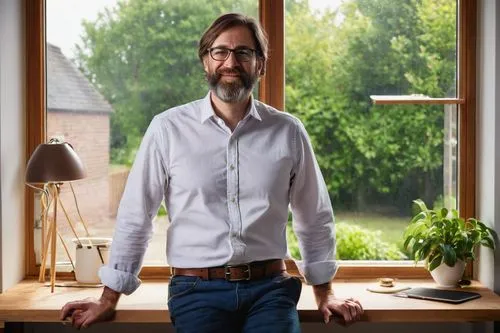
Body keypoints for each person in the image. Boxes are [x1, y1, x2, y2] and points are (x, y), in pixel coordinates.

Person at [60, 12, 364, 332]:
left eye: (243, 52)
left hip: (271, 292)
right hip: (195, 292)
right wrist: (108, 298)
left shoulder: (288, 131)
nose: (230, 62)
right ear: (206, 61)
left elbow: (314, 216)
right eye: (220, 51)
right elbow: (136, 215)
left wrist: (325, 292)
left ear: (260, 64)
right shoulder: (167, 129)